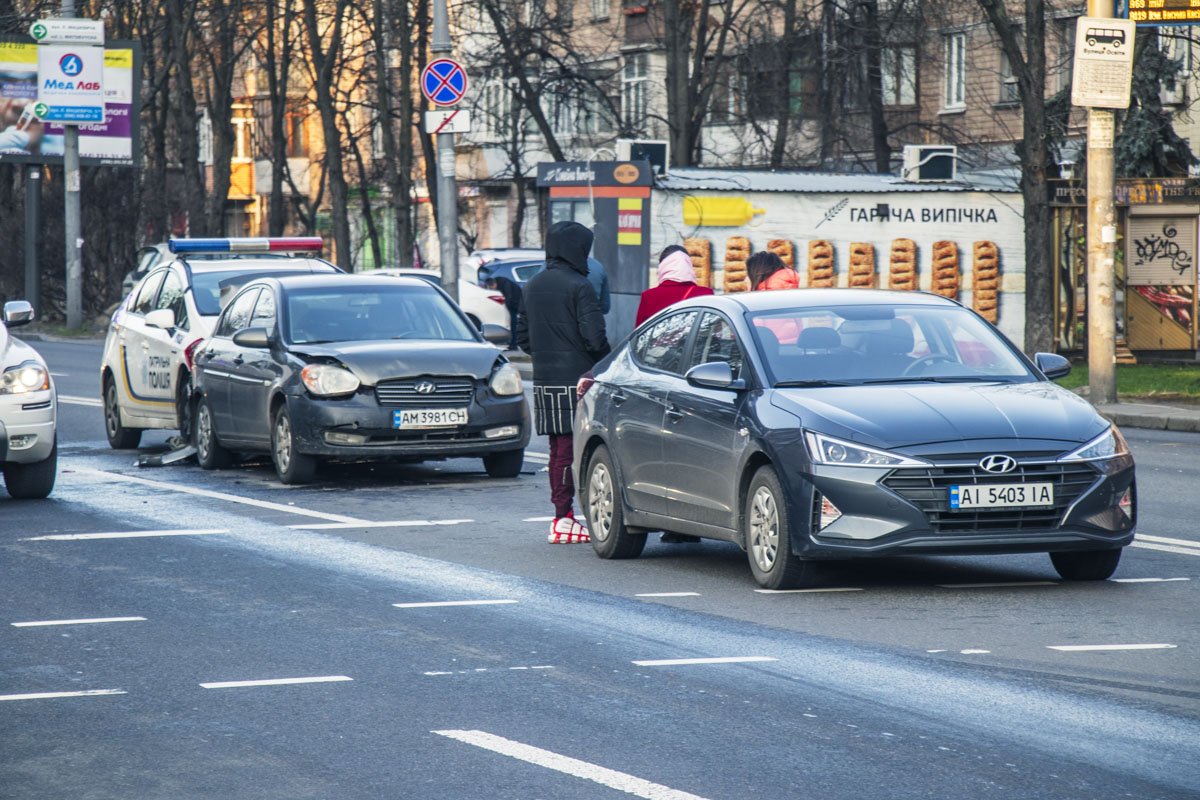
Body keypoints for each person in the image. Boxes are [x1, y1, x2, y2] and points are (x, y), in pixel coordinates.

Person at [516, 220, 610, 544]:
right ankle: (564, 519)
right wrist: (606, 363)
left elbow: (522, 338)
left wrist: (545, 354)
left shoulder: (531, 284)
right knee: (574, 450)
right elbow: (595, 338)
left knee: (559, 449)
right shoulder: (580, 286)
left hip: (545, 378)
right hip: (579, 379)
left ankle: (562, 514)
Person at [635, 245, 714, 326]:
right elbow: (715, 331)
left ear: (663, 267)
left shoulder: (648, 297)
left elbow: (639, 335)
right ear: (688, 265)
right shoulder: (706, 294)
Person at [485, 275, 523, 350]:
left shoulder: (505, 284)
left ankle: (514, 344)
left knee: (514, 324)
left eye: (491, 287)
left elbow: (508, 296)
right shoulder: (501, 282)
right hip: (515, 303)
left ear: (494, 284)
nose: (492, 289)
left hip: (517, 303)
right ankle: (513, 342)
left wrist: (508, 306)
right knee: (513, 324)